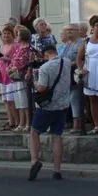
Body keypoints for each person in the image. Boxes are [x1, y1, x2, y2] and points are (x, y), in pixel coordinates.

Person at [28, 43, 69, 181]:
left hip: (47, 107)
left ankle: (34, 161)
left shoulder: (45, 67)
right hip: (63, 105)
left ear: (46, 55)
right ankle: (57, 171)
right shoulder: (67, 62)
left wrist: (34, 83)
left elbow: (41, 88)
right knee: (56, 136)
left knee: (34, 132)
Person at [6, 27, 33, 132]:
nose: (16, 37)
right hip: (15, 77)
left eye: (18, 35)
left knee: (24, 101)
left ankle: (27, 123)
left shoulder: (28, 48)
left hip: (23, 76)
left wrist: (13, 69)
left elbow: (25, 62)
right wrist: (9, 69)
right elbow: (13, 60)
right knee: (18, 102)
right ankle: (21, 123)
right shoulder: (18, 48)